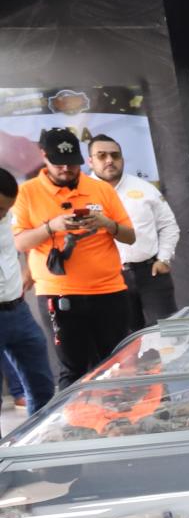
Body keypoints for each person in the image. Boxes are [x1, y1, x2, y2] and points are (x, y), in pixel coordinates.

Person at [11, 128, 137, 384]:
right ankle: (77, 423)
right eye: (59, 163)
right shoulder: (27, 192)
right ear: (44, 157)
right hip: (59, 294)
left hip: (109, 291)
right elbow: (20, 242)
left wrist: (106, 223)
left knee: (117, 365)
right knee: (74, 370)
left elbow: (129, 236)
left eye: (73, 162)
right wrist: (51, 227)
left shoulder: (100, 189)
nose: (67, 168)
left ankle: (119, 421)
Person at [86, 135, 179, 328]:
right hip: (109, 279)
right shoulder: (82, 192)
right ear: (90, 161)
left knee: (171, 337)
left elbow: (168, 225)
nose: (109, 160)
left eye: (115, 155)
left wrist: (164, 259)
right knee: (125, 343)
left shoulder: (144, 188)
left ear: (122, 159)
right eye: (101, 156)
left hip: (151, 272)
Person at [0, 168, 56, 417]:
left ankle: (39, 450)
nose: (3, 214)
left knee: (42, 388)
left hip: (18, 310)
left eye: (6, 209)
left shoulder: (8, 217)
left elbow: (19, 246)